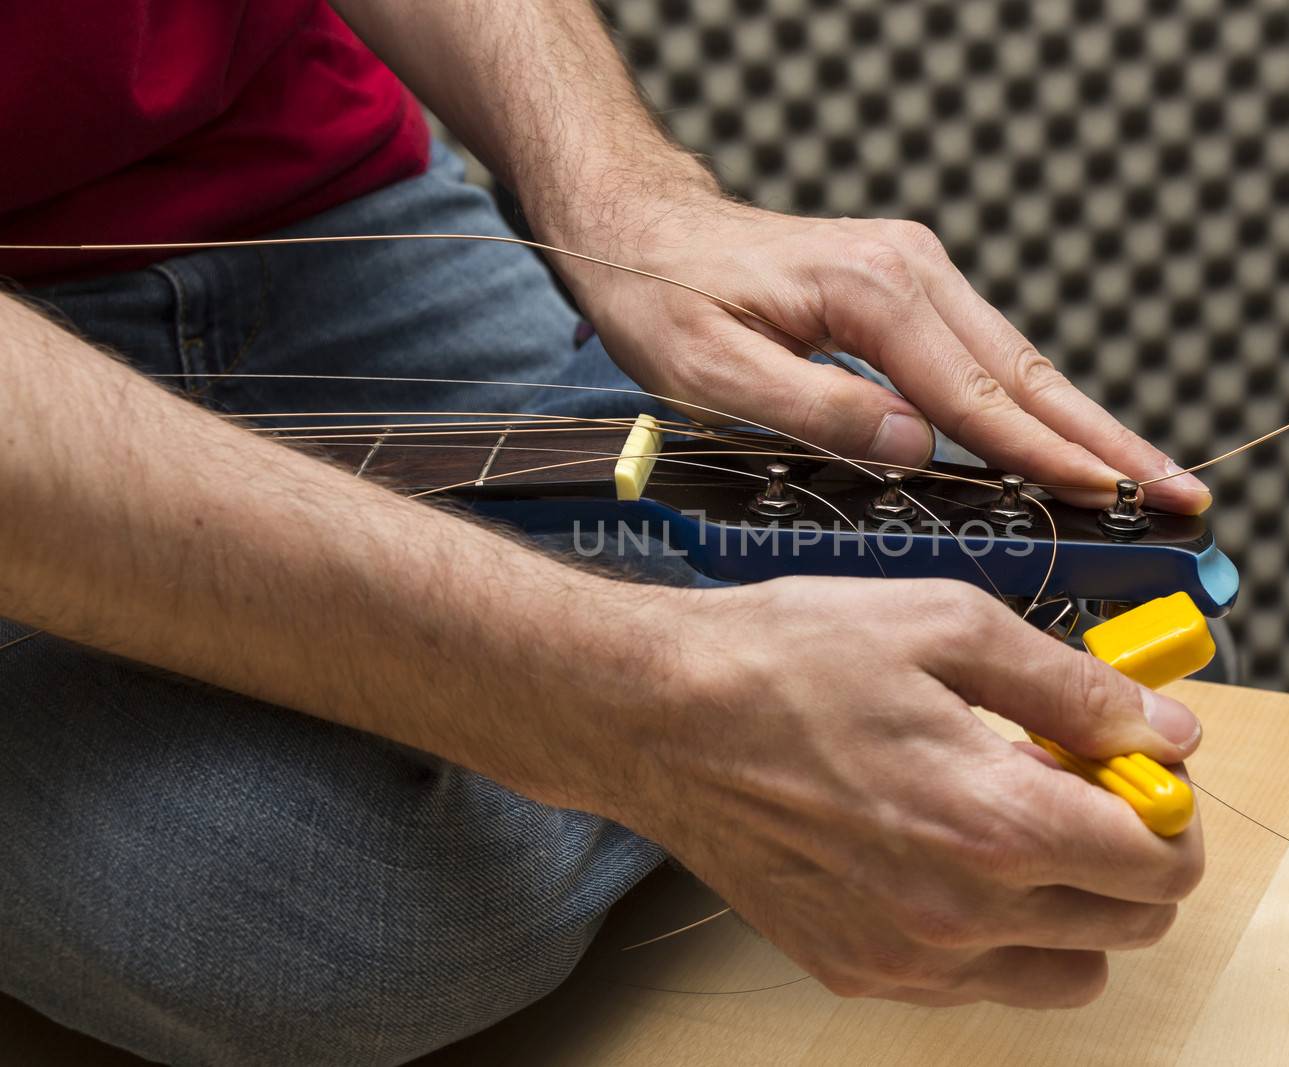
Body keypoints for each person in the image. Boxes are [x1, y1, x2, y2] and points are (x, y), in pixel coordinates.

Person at [0, 2, 1213, 1063]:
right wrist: (630, 696)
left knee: (826, 431)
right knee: (361, 919)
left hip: (319, 199)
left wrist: (628, 194)